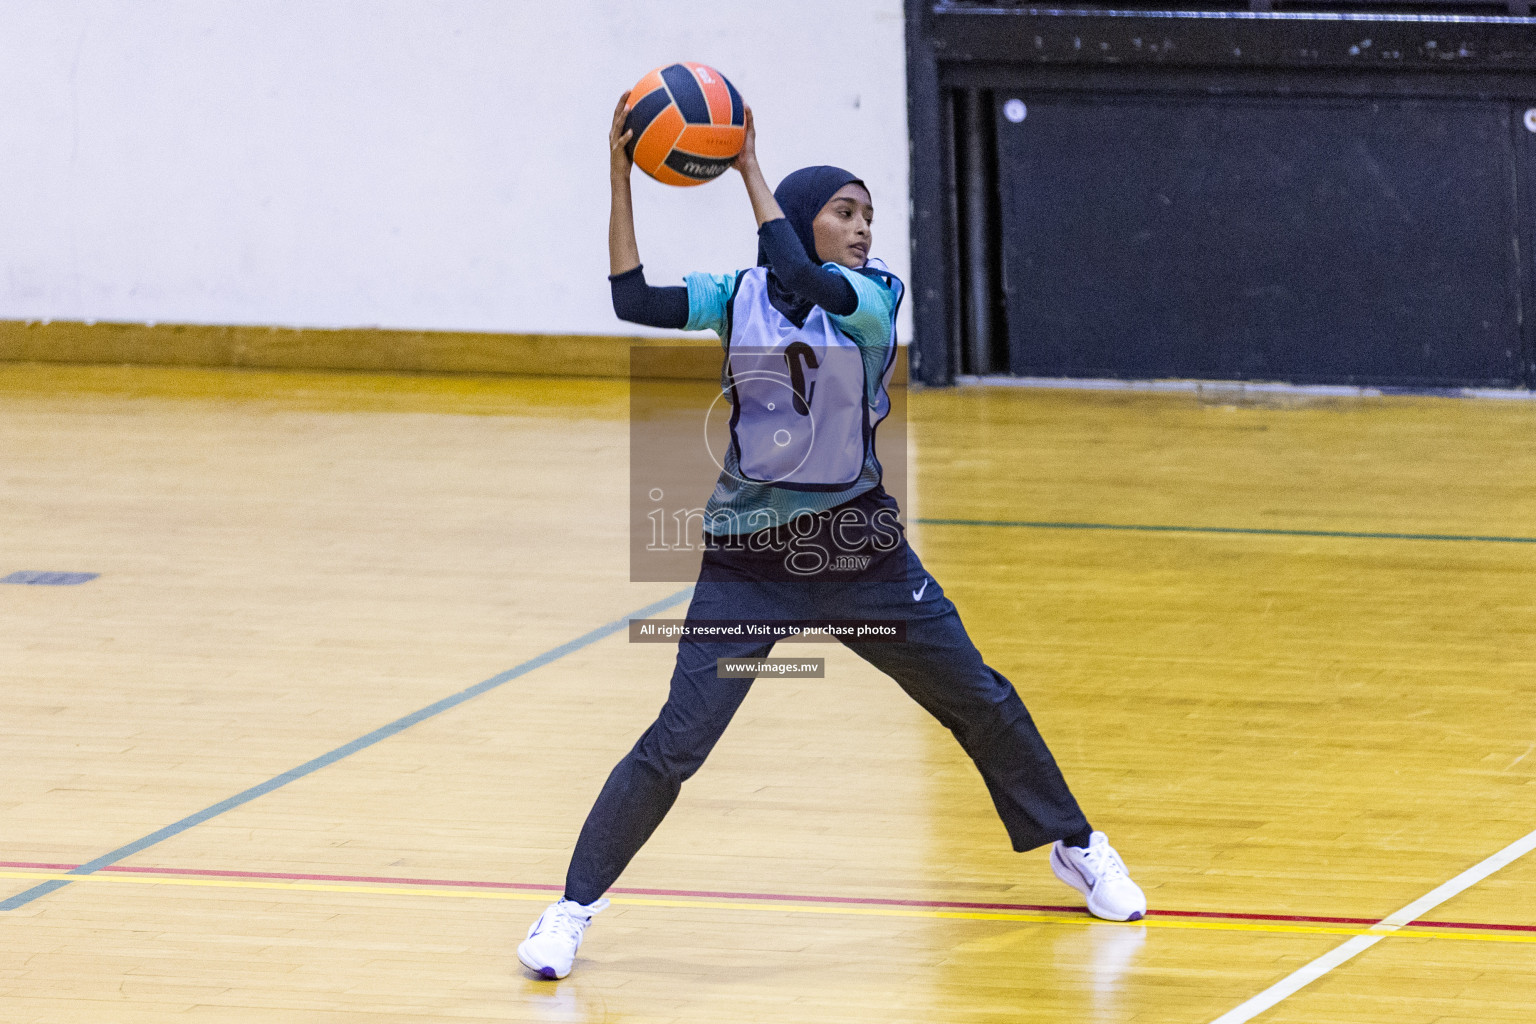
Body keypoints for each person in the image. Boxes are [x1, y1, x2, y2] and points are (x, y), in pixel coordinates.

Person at [516, 94, 1146, 981]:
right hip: (748, 566)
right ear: (808, 215)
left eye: (867, 216)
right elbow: (631, 299)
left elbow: (804, 277)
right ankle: (571, 909)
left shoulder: (872, 297)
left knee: (980, 699)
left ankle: (1076, 843)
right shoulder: (734, 299)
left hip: (862, 556)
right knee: (679, 740)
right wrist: (620, 175)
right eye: (844, 212)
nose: (861, 228)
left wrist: (743, 164)